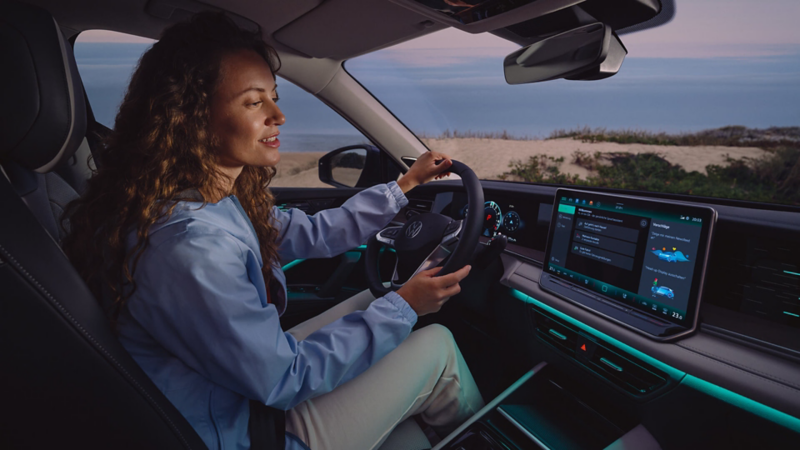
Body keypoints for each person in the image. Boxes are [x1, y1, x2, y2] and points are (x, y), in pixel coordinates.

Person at [63, 12, 484, 450]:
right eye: (253, 102)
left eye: (274, 97)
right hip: (245, 431)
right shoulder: (191, 246)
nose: (278, 115)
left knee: (380, 299)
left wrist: (404, 186)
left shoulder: (206, 201)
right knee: (436, 345)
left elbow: (316, 233)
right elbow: (284, 377)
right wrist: (407, 306)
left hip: (239, 392)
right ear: (192, 118)